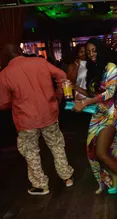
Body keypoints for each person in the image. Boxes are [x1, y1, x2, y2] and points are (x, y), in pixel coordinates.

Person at [0, 44, 74, 195]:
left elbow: (3, 103)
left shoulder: (4, 74)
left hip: (26, 121)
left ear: (5, 57)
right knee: (57, 145)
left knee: (31, 152)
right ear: (20, 51)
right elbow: (62, 75)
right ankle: (67, 177)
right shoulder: (39, 62)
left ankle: (41, 185)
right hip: (49, 114)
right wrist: (58, 94)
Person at [73, 38, 117, 199]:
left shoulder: (111, 67)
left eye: (94, 50)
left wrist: (86, 102)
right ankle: (114, 178)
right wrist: (76, 88)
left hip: (111, 113)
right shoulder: (94, 70)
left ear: (100, 50)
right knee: (93, 149)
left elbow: (109, 92)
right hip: (98, 113)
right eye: (88, 52)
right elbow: (95, 94)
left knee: (101, 152)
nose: (92, 54)